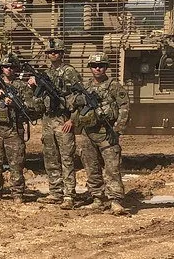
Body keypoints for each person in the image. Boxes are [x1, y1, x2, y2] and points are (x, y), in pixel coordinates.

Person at [0, 55, 39, 203]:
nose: (9, 69)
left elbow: (34, 107)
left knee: (16, 164)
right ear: (2, 68)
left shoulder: (22, 86)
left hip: (13, 129)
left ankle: (17, 193)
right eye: (6, 66)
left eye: (12, 67)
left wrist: (15, 105)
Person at [78, 53, 129, 216]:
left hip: (107, 133)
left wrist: (118, 129)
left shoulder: (114, 86)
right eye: (94, 66)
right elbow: (76, 108)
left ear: (106, 67)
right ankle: (97, 198)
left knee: (112, 168)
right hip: (89, 133)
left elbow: (124, 108)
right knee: (91, 167)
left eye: (101, 66)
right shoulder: (85, 87)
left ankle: (115, 201)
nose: (97, 68)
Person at [38, 38, 82, 210]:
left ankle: (69, 194)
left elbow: (80, 97)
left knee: (66, 158)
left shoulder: (70, 72)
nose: (52, 54)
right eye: (49, 52)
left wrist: (73, 119)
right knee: (50, 157)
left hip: (63, 120)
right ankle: (55, 192)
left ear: (62, 53)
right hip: (48, 120)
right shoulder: (46, 73)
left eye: (55, 51)